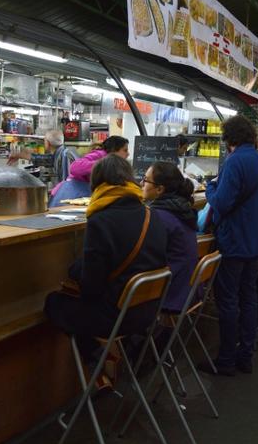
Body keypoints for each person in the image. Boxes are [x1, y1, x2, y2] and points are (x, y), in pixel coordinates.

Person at [44, 154, 167, 363]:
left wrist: (74, 270)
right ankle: (111, 358)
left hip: (116, 317)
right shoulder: (151, 214)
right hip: (148, 310)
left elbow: (91, 287)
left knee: (54, 303)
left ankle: (99, 359)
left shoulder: (101, 220)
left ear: (96, 183)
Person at [200, 115, 258, 375]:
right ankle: (246, 357)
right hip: (256, 241)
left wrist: (210, 188)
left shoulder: (234, 162)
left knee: (228, 300)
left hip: (234, 241)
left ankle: (226, 360)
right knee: (249, 298)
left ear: (228, 139)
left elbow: (221, 202)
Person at [141, 161, 198, 312]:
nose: (141, 183)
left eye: (145, 180)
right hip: (188, 290)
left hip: (171, 293)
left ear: (160, 189)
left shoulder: (158, 216)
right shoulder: (182, 209)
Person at [48, 135, 129, 207]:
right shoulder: (101, 154)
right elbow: (74, 168)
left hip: (83, 195)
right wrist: (102, 164)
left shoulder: (116, 165)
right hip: (70, 193)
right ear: (114, 150)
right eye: (125, 150)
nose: (128, 154)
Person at [8, 129, 74, 184]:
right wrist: (19, 154)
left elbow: (67, 183)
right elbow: (45, 159)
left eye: (44, 140)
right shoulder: (60, 153)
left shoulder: (65, 156)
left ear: (48, 143)